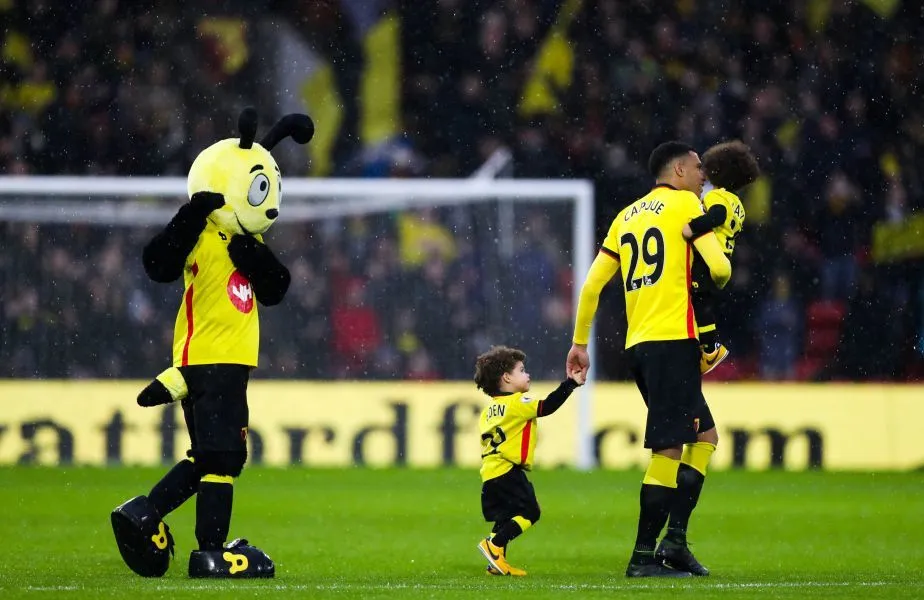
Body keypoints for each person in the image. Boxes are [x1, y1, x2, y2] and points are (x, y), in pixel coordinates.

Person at [566, 142, 731, 578]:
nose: (703, 176)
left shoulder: (626, 216)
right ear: (678, 170)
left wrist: (580, 342)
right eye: (698, 168)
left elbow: (591, 287)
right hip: (673, 341)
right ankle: (643, 557)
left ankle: (674, 541)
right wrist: (711, 253)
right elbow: (721, 270)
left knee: (705, 437)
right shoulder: (687, 209)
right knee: (670, 448)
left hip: (639, 344)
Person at [474, 345, 585, 576]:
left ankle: (495, 562)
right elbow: (547, 406)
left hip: (490, 472)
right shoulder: (516, 403)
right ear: (506, 378)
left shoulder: (488, 410)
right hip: (508, 470)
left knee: (506, 516)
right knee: (531, 512)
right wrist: (570, 384)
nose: (527, 375)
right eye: (522, 370)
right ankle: (493, 546)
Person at [683, 140, 760, 374]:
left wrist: (692, 227)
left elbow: (717, 216)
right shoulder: (739, 204)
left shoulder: (719, 197)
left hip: (708, 259)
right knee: (704, 300)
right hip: (724, 258)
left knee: (698, 298)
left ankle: (710, 347)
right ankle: (708, 345)